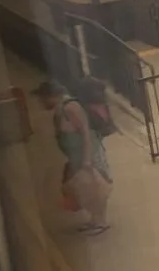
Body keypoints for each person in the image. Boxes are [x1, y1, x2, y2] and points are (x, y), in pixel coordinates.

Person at [35, 78, 113, 233]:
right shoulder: (61, 109)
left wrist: (86, 160)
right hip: (77, 155)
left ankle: (101, 221)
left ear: (51, 96)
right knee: (84, 188)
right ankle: (95, 220)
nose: (41, 102)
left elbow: (85, 132)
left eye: (42, 98)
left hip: (87, 154)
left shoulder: (70, 107)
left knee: (94, 187)